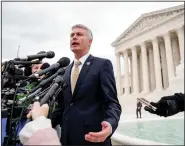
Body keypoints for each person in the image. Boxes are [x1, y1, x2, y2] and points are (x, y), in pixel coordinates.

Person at [51, 24, 122, 146]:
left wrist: (110, 125)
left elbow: (112, 102)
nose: (74, 37)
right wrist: (41, 124)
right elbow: (62, 107)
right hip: (67, 140)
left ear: (90, 41)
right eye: (72, 35)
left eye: (79, 34)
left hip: (93, 139)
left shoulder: (102, 65)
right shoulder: (65, 71)